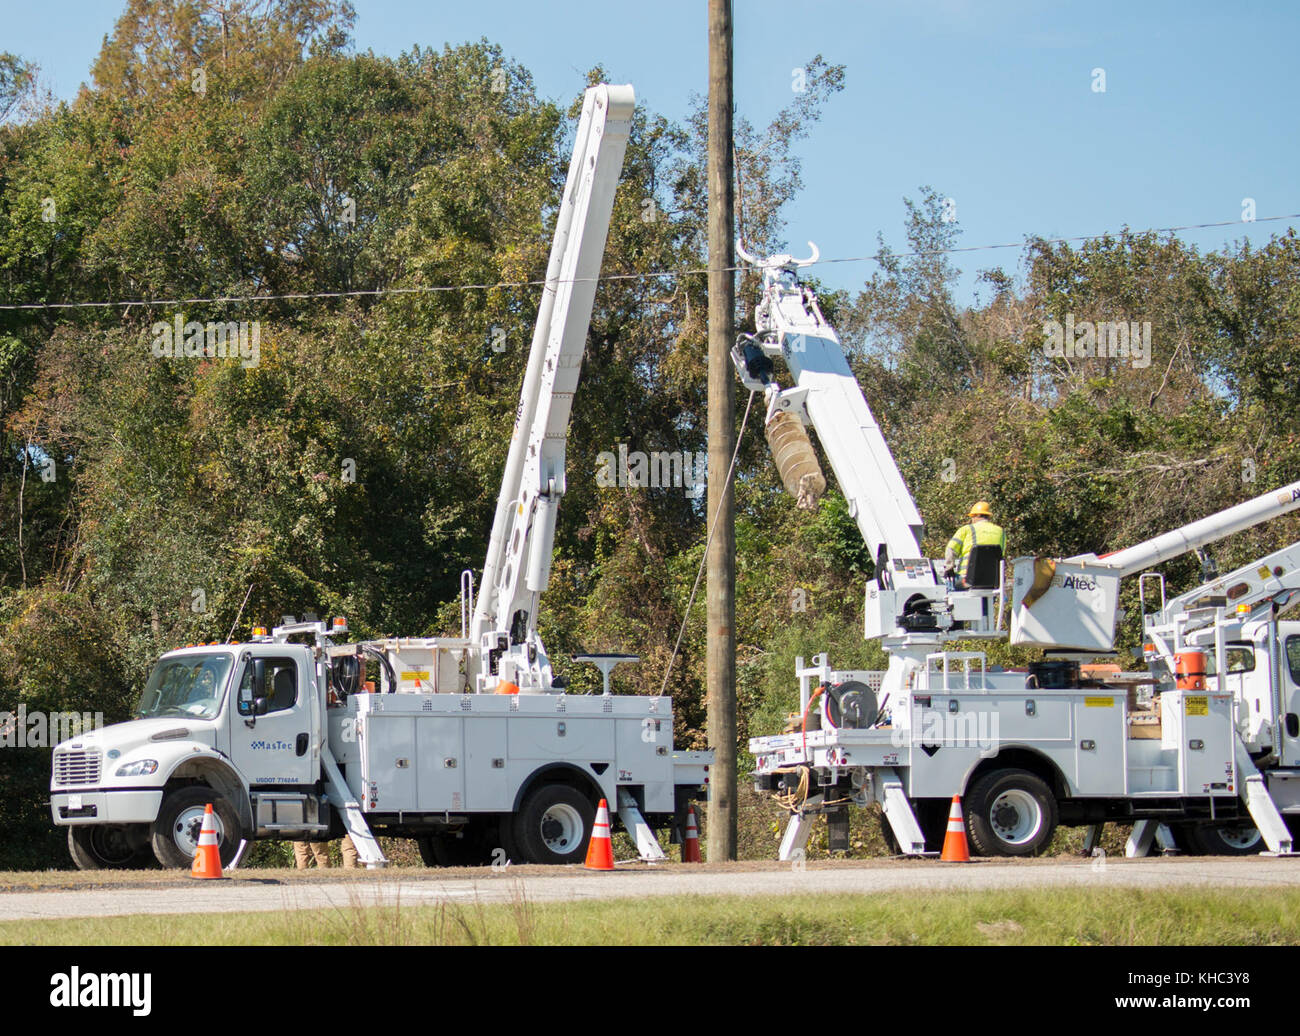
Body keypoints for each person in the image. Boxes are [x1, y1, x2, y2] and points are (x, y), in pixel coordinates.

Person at [944, 501, 1006, 590]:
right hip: (992, 581)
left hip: (967, 580)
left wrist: (949, 568)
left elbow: (950, 549)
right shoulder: (1001, 532)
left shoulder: (966, 530)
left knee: (947, 586)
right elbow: (1001, 555)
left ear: (975, 516)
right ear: (988, 516)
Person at [293, 835, 359, 868]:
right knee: (321, 854)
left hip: (297, 820)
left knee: (301, 852)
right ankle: (326, 876)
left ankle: (302, 878)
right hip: (315, 819)